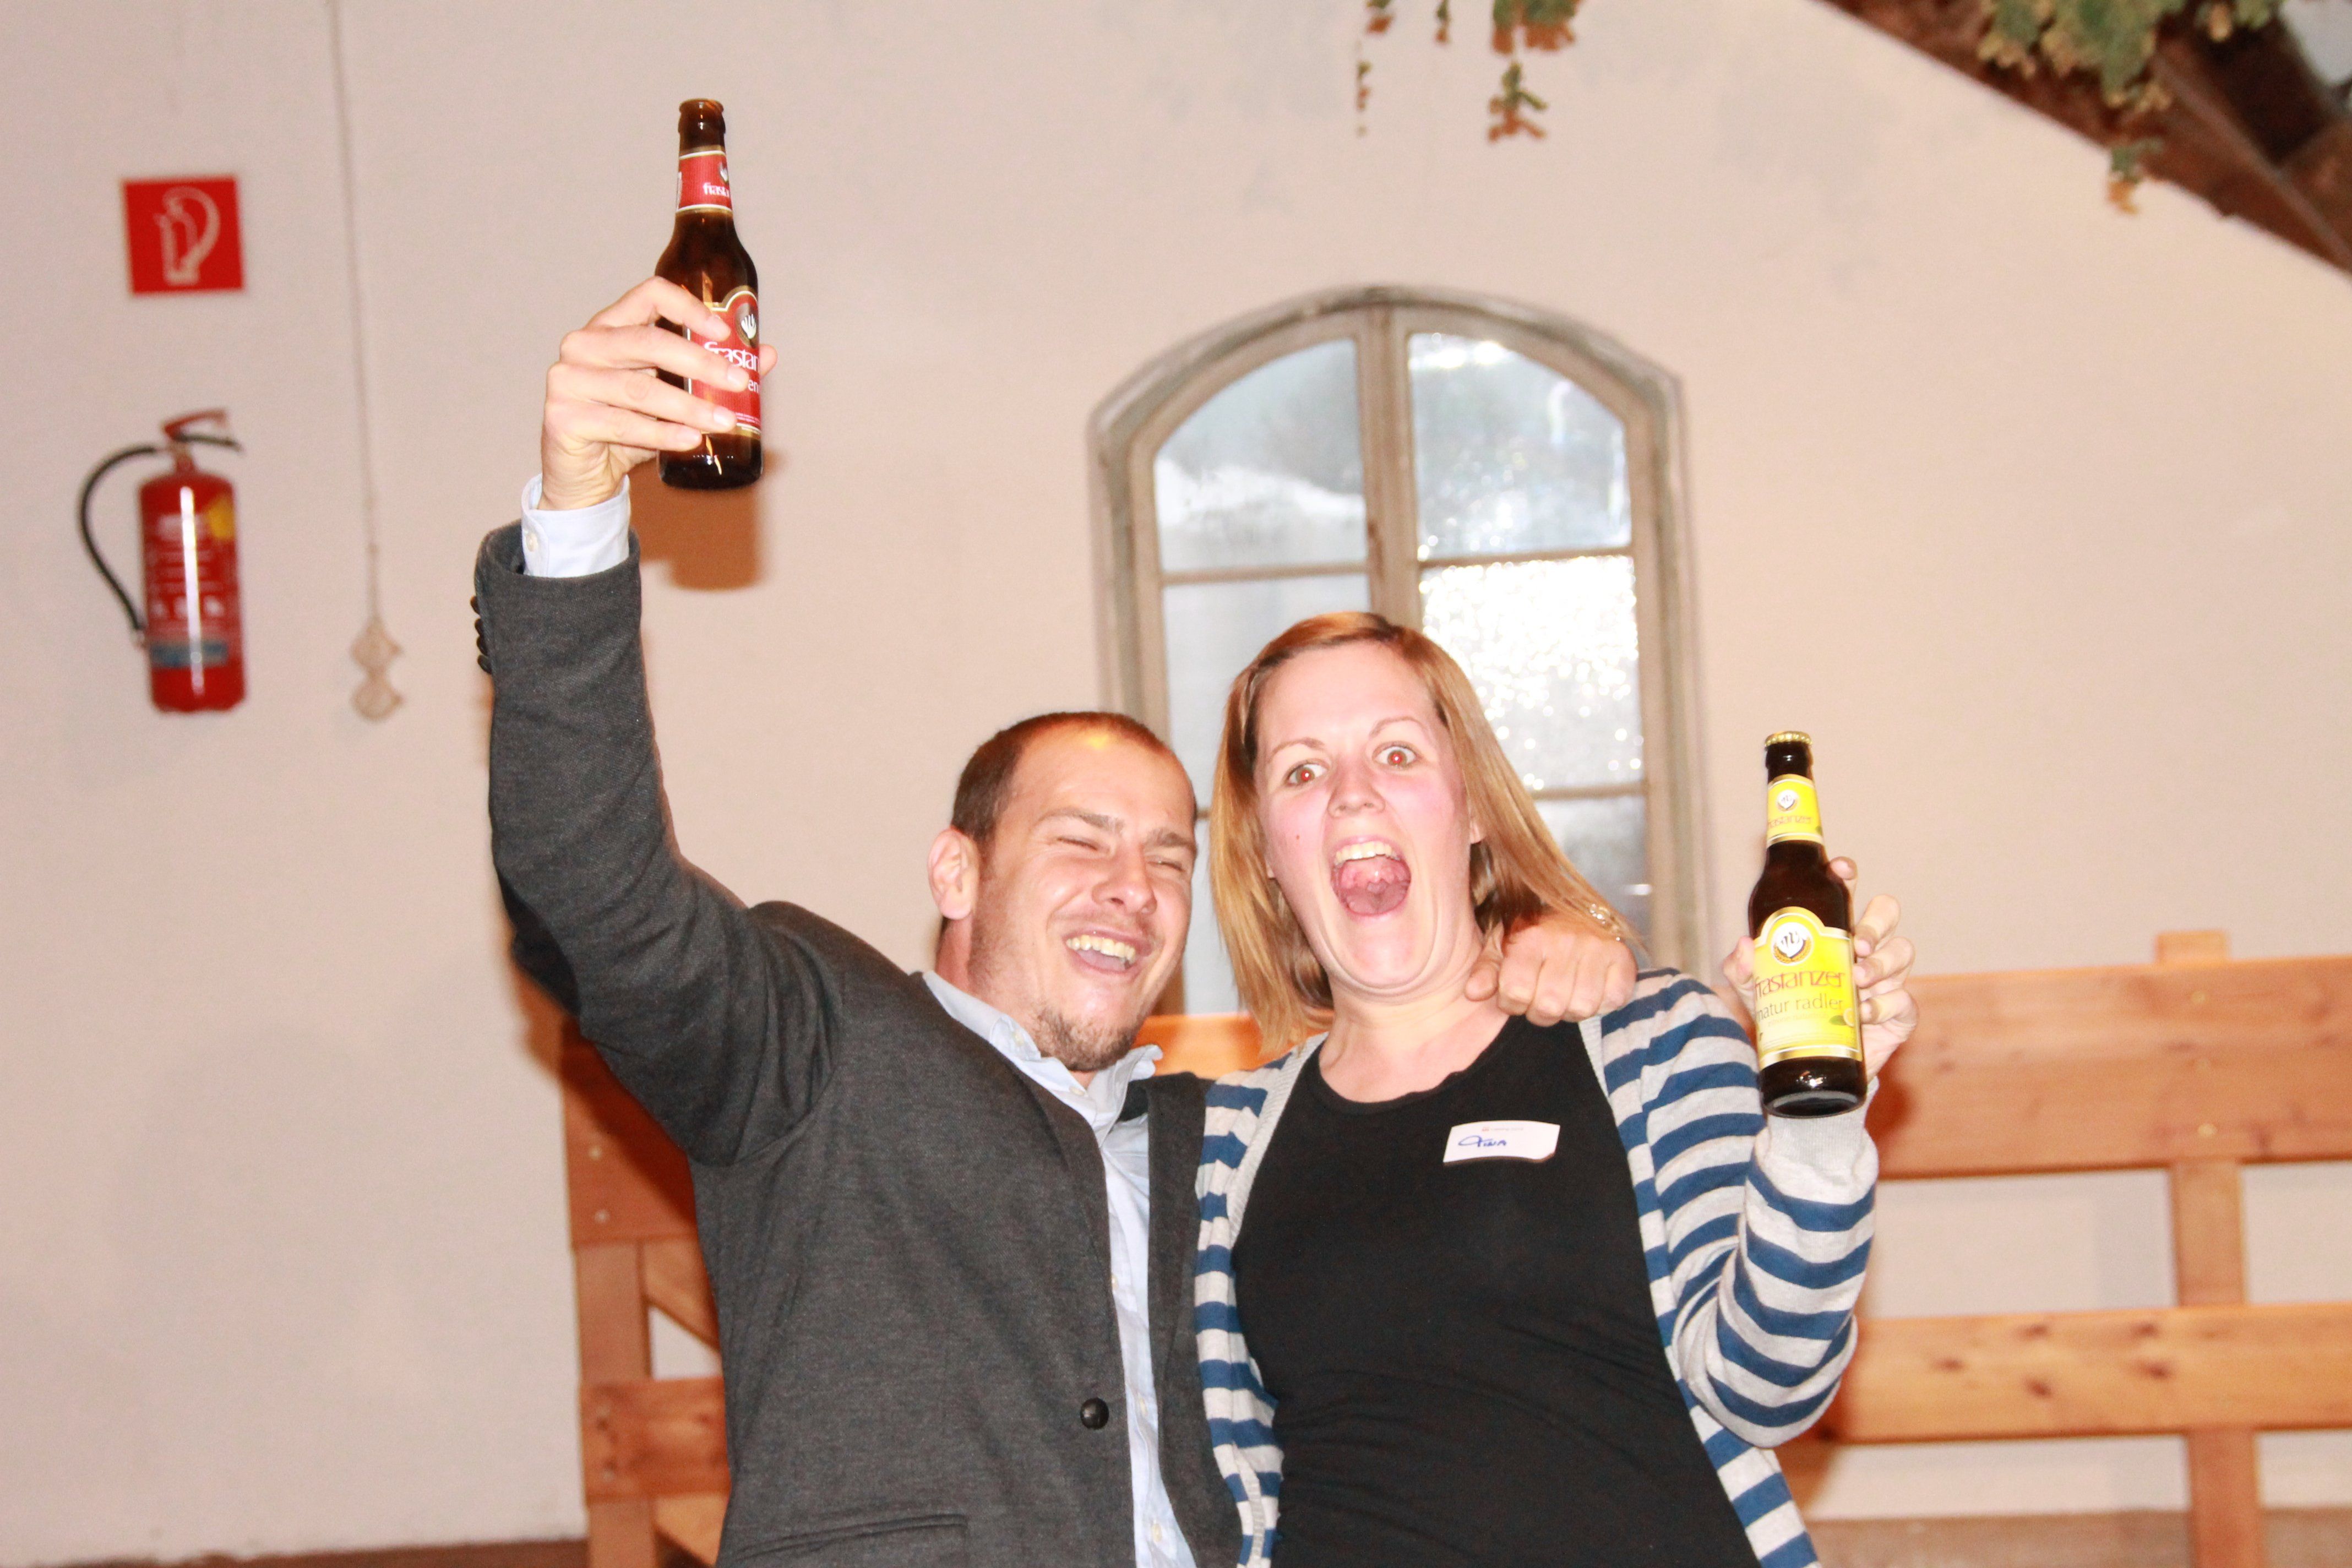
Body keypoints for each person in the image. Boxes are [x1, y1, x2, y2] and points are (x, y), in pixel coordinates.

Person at [479, 279, 1634, 1568]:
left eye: (1168, 856)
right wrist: (577, 510)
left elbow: (1465, 1266)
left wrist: (1549, 935)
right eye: (1080, 840)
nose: (1131, 884)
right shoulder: (817, 1053)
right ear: (956, 872)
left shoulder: (1234, 1137)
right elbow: (598, 890)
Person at [1190, 614, 1920, 1568]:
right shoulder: (1227, 1144)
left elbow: (1769, 1388)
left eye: (1397, 754)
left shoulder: (1654, 1040)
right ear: (1264, 848)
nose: (1352, 794)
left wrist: (1816, 1118)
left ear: (1473, 806)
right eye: (1302, 771)